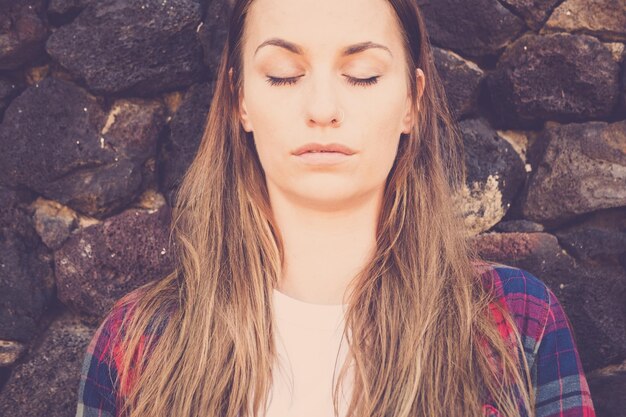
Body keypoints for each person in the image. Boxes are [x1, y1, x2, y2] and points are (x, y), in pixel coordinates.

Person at [75, 0, 597, 416]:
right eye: (282, 74)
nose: (322, 109)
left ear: (412, 102)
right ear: (240, 101)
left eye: (363, 74)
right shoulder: (137, 341)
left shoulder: (516, 318)